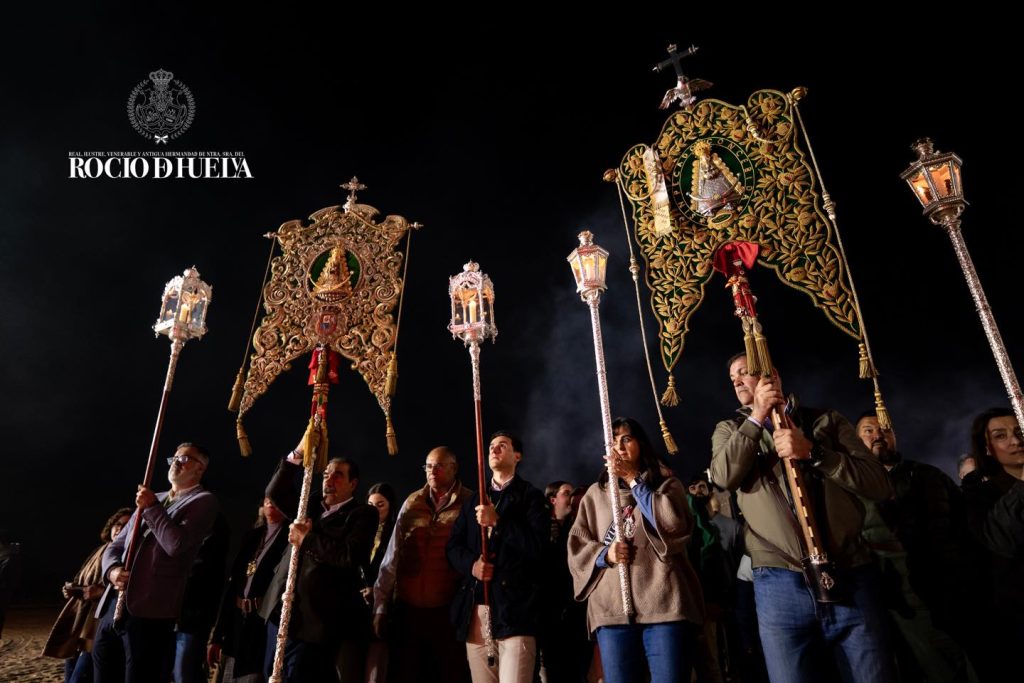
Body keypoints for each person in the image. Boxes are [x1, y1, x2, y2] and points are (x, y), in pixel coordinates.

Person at [710, 354, 895, 683]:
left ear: (771, 374)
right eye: (732, 378)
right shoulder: (730, 430)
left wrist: (815, 453)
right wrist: (756, 417)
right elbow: (724, 476)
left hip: (850, 571)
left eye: (744, 373)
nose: (737, 381)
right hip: (779, 581)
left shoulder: (826, 421)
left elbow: (878, 484)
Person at [568, 417, 704, 683]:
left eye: (626, 439)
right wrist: (604, 555)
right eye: (613, 441)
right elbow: (577, 546)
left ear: (641, 444)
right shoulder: (595, 495)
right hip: (612, 610)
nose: (619, 446)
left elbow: (675, 526)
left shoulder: (667, 486)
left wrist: (633, 479)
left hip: (663, 604)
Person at [93, 443, 219, 683]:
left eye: (184, 459)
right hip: (113, 604)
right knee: (103, 672)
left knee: (139, 675)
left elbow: (176, 545)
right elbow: (115, 545)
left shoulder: (203, 501)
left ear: (200, 468)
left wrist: (151, 507)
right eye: (174, 458)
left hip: (149, 609)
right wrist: (112, 570)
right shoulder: (157, 498)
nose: (176, 463)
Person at [258, 444, 378, 683]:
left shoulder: (362, 514)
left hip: (315, 620)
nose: (329, 479)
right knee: (270, 673)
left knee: (296, 676)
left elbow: (350, 556)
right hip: (282, 609)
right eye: (326, 474)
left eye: (338, 475)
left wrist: (307, 539)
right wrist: (298, 454)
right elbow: (276, 491)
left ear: (353, 484)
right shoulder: (310, 504)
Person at [446, 431, 548, 683]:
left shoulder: (530, 497)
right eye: (491, 446)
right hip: (477, 613)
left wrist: (498, 522)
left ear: (517, 456)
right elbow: (453, 546)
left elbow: (538, 548)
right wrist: (472, 566)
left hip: (515, 609)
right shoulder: (473, 502)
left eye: (502, 445)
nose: (494, 449)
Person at [372, 447, 473, 683]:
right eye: (428, 466)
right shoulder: (412, 502)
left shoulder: (469, 502)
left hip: (447, 611)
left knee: (448, 674)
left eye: (439, 466)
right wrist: (380, 607)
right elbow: (391, 558)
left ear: (454, 468)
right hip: (408, 610)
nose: (432, 471)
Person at [960, 408, 1024, 680]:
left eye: (1019, 432)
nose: (1015, 441)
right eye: (1001, 436)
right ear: (987, 449)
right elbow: (1002, 540)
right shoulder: (980, 495)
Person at [42, 508, 131, 682]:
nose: (120, 528)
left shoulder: (128, 553)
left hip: (98, 624)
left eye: (126, 525)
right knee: (70, 675)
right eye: (117, 524)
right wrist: (73, 589)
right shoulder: (100, 550)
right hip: (80, 624)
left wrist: (102, 592)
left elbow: (128, 584)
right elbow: (81, 578)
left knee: (81, 676)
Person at [208, 497, 289, 682]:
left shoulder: (289, 538)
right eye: (269, 496)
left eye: (277, 496)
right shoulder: (252, 536)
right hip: (236, 624)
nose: (271, 500)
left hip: (261, 627)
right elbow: (233, 586)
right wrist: (217, 636)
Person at [537, 481, 590, 682]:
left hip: (574, 610)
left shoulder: (576, 527)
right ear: (552, 500)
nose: (571, 497)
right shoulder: (541, 529)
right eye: (565, 493)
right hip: (549, 612)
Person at [362, 482, 396, 683]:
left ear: (390, 506)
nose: (373, 510)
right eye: (370, 504)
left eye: (380, 505)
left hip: (383, 608)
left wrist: (375, 590)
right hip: (357, 607)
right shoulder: (359, 532)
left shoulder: (394, 534)